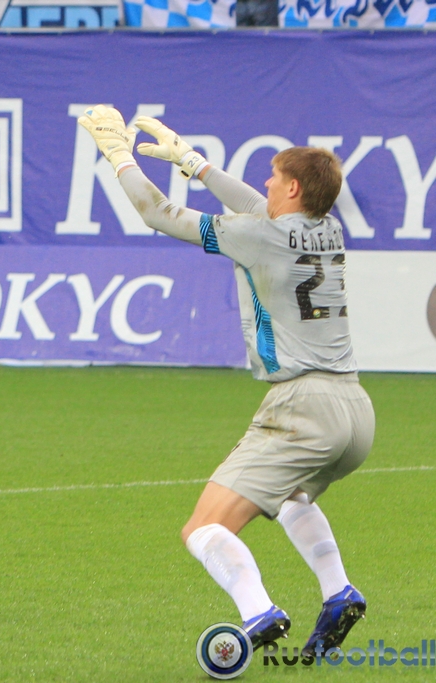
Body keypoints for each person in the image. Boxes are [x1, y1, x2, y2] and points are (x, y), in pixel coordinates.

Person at [78, 106, 374, 652]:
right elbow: (260, 209)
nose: (266, 182)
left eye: (274, 176)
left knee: (202, 529)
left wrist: (116, 154)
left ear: (292, 188)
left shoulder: (257, 237)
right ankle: (338, 591)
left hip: (302, 406)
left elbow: (159, 213)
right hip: (355, 409)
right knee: (291, 498)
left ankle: (259, 612)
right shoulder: (328, 228)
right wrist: (194, 163)